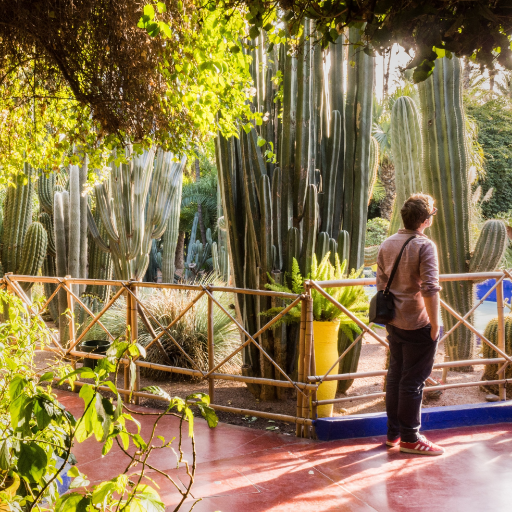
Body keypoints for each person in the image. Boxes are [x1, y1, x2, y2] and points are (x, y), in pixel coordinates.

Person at [376, 193, 444, 456]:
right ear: (425, 220)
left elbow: (381, 283)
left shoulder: (387, 243)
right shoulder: (425, 246)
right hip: (418, 323)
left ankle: (394, 434)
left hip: (394, 320)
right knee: (413, 381)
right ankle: (411, 438)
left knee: (395, 377)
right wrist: (435, 324)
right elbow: (430, 288)